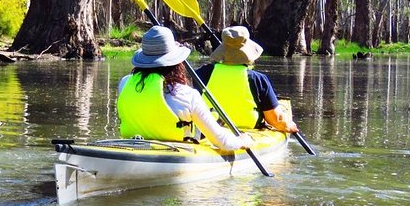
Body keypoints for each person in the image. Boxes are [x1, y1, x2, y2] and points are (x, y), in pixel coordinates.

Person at [117, 25, 254, 151]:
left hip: (132, 146)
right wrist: (241, 141)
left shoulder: (124, 83)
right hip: (172, 154)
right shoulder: (187, 95)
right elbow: (222, 142)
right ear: (176, 63)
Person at [195, 26, 298, 133]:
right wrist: (289, 126)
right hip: (248, 132)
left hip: (210, 132)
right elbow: (276, 120)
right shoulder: (258, 79)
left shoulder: (200, 74)